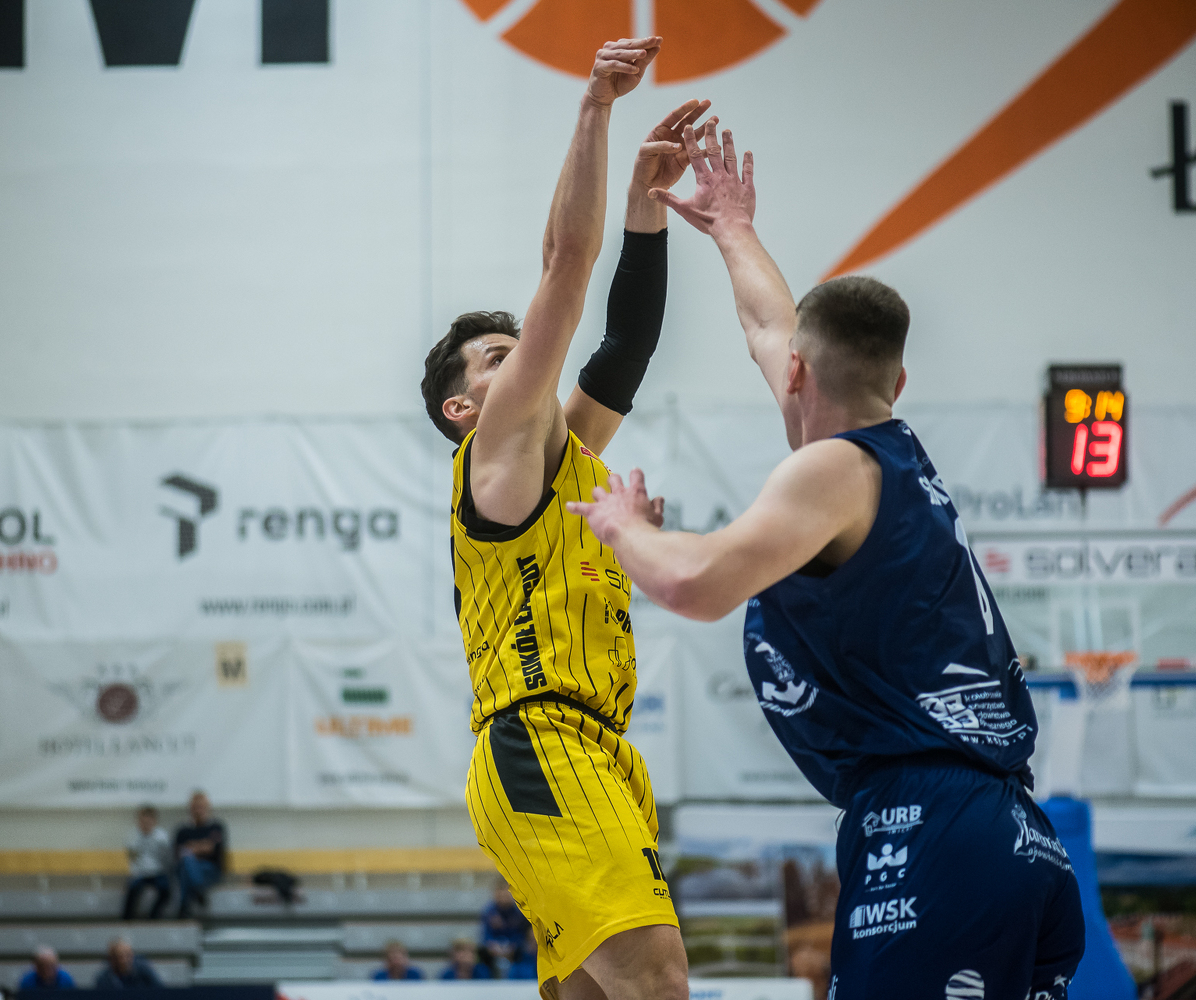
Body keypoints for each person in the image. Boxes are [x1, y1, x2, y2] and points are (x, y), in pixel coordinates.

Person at [570, 120, 1086, 1000]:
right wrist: (732, 228)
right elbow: (771, 324)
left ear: (800, 377)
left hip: (929, 828)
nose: (778, 364)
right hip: (1010, 833)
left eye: (787, 364)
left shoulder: (831, 471)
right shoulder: (892, 453)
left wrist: (623, 527)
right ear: (897, 383)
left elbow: (693, 582)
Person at [419, 34, 699, 1000]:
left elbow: (626, 344)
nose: (524, 361)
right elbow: (565, 266)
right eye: (498, 359)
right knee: (658, 981)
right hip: (540, 742)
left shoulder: (558, 454)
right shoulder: (494, 455)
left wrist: (647, 212)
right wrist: (596, 108)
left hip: (594, 751)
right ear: (463, 408)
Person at [174, 791, 226, 918]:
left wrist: (192, 847)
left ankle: (184, 906)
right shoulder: (183, 831)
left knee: (187, 865)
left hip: (210, 871)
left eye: (201, 807)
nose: (198, 810)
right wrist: (201, 846)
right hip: (188, 869)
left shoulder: (216, 827)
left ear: (208, 808)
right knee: (186, 864)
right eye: (195, 807)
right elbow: (178, 853)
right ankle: (198, 889)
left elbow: (210, 848)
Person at [122, 805, 170, 920]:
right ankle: (127, 919)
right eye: (143, 822)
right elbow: (132, 859)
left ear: (154, 822)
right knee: (132, 890)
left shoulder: (162, 838)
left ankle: (154, 916)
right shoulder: (132, 837)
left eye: (148, 822)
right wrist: (135, 873)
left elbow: (166, 858)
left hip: (158, 872)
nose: (146, 825)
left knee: (166, 891)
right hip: (140, 873)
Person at [479, 878, 531, 976]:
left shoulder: (520, 912)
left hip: (515, 951)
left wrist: (513, 947)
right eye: (500, 891)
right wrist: (492, 946)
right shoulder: (488, 912)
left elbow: (522, 936)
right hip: (493, 952)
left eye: (506, 891)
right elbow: (486, 936)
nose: (503, 894)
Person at [93, 937, 161, 989]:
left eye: (128, 955)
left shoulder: (145, 972)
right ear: (112, 959)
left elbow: (160, 991)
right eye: (119, 957)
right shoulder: (104, 979)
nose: (124, 960)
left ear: (132, 956)